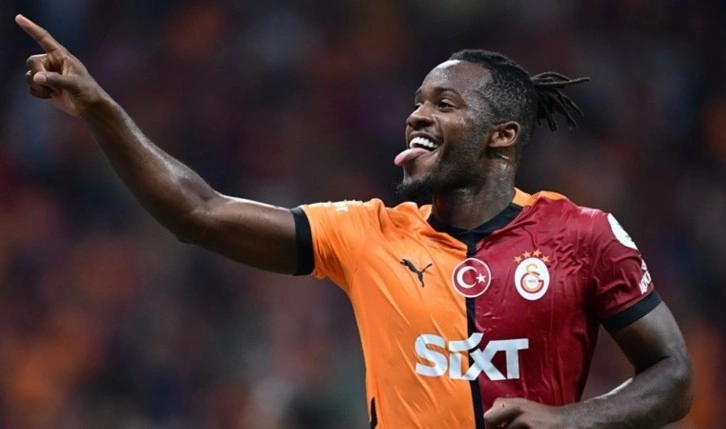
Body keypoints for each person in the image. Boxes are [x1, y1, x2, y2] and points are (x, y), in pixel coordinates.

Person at [16, 13, 694, 429]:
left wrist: (571, 421)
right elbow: (200, 212)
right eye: (417, 101)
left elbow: (673, 375)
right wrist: (100, 109)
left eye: (444, 104)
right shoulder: (367, 233)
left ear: (503, 136)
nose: (417, 114)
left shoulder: (582, 235)